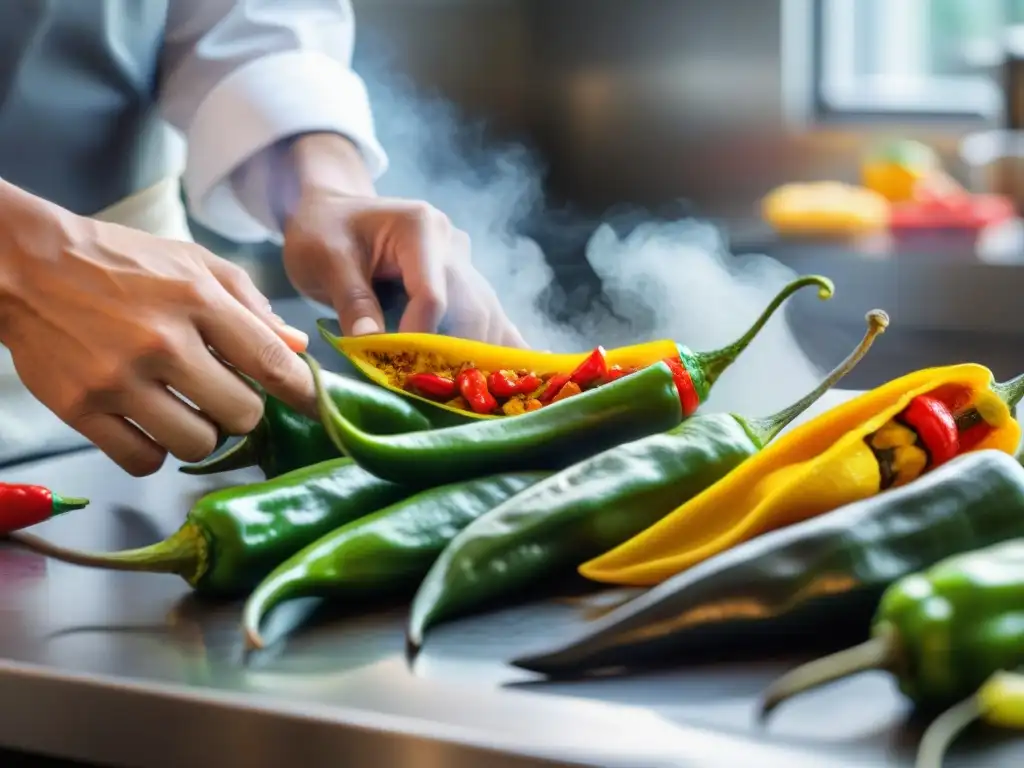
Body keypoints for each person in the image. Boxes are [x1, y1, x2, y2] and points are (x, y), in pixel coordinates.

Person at [0, 1, 526, 478]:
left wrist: (321, 185)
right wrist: (20, 261)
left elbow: (242, 16)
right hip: (143, 346)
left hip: (161, 377)